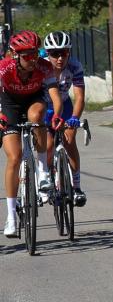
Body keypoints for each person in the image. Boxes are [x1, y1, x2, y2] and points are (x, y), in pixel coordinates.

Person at [0, 30, 63, 237]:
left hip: (33, 100)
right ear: (15, 54)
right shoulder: (4, 68)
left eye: (35, 54)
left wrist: (57, 114)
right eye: (27, 56)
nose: (33, 59)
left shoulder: (44, 67)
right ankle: (11, 216)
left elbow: (55, 97)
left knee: (37, 117)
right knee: (15, 157)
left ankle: (43, 170)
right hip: (9, 104)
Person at [43, 31, 87, 207]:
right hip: (45, 107)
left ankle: (76, 188)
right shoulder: (42, 66)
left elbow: (79, 97)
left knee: (69, 140)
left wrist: (75, 117)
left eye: (64, 53)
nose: (60, 58)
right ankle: (48, 180)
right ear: (47, 53)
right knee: (46, 146)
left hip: (66, 105)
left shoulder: (75, 66)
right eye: (55, 54)